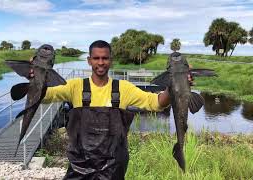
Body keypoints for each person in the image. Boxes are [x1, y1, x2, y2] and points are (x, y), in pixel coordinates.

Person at [29, 40, 192, 180]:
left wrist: (176, 85)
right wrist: (36, 77)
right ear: (89, 60)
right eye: (96, 58)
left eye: (105, 58)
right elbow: (44, 96)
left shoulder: (124, 88)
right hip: (79, 168)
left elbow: (157, 102)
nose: (101, 62)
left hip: (114, 169)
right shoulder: (74, 86)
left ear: (111, 60)